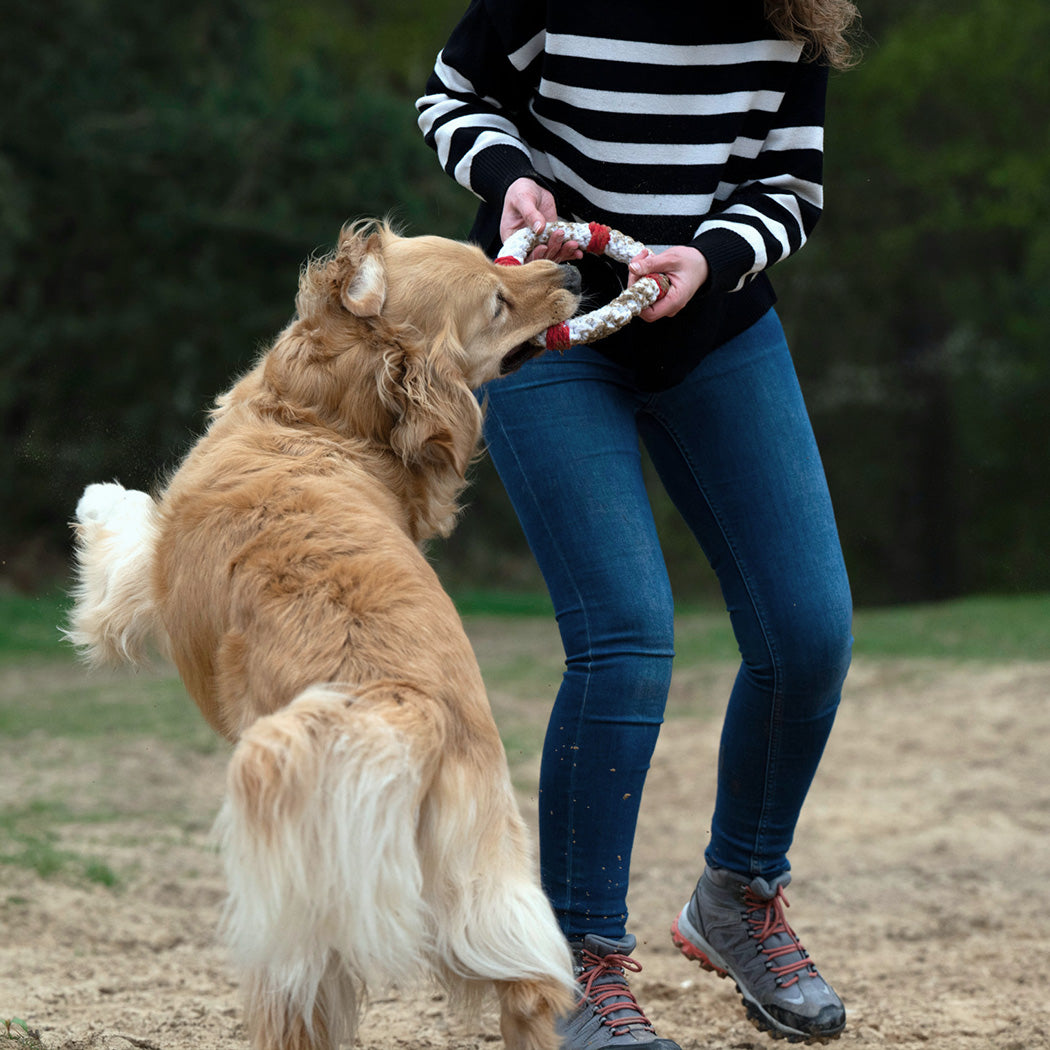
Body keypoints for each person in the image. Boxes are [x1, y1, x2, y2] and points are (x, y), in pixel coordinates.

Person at [417, 2, 860, 1046]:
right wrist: (505, 177)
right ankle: (579, 964)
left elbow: (788, 187)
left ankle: (738, 900)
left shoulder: (800, 15)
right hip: (545, 324)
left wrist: (711, 254)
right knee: (625, 640)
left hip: (715, 323)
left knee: (809, 633)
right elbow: (453, 94)